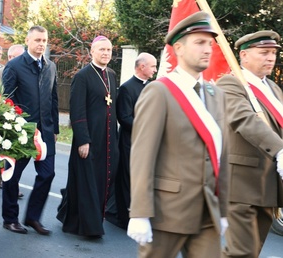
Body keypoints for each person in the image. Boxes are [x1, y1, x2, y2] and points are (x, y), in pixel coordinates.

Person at [126, 11, 228, 257]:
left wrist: (223, 209)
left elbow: (221, 156)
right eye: (199, 42)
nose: (207, 49)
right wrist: (139, 212)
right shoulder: (159, 92)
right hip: (166, 214)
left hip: (206, 213)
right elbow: (142, 156)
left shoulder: (217, 95)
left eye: (210, 44)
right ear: (179, 48)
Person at [218, 30, 283, 258]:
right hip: (243, 185)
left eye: (273, 53)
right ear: (244, 56)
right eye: (264, 52)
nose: (270, 58)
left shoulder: (273, 88)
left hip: (269, 185)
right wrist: (279, 150)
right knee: (241, 252)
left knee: (250, 252)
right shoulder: (230, 83)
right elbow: (244, 120)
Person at [56, 35, 119, 237]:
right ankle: (90, 227)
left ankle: (84, 218)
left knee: (100, 181)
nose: (106, 53)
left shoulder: (111, 74)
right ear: (92, 52)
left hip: (107, 139)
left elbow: (112, 106)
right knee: (87, 182)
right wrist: (83, 140)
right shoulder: (82, 76)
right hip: (89, 139)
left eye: (109, 50)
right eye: (102, 50)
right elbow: (77, 111)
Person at [1, 25, 59, 236]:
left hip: (45, 132)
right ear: (28, 41)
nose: (41, 44)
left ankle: (33, 217)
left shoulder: (51, 66)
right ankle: (10, 218)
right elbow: (7, 99)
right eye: (37, 40)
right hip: (21, 132)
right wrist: (14, 127)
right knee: (12, 175)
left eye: (44, 40)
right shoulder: (15, 66)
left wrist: (54, 129)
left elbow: (53, 98)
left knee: (48, 173)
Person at [115, 52, 157, 229]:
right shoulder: (126, 88)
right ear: (142, 67)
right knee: (127, 178)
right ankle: (126, 217)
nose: (155, 69)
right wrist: (145, 129)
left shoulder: (153, 87)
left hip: (148, 142)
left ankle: (142, 213)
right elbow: (124, 117)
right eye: (153, 66)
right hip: (129, 141)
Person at [0, 44, 25, 194]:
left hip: (18, 117)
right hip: (1, 115)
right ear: (10, 57)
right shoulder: (0, 72)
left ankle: (1, 177)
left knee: (8, 153)